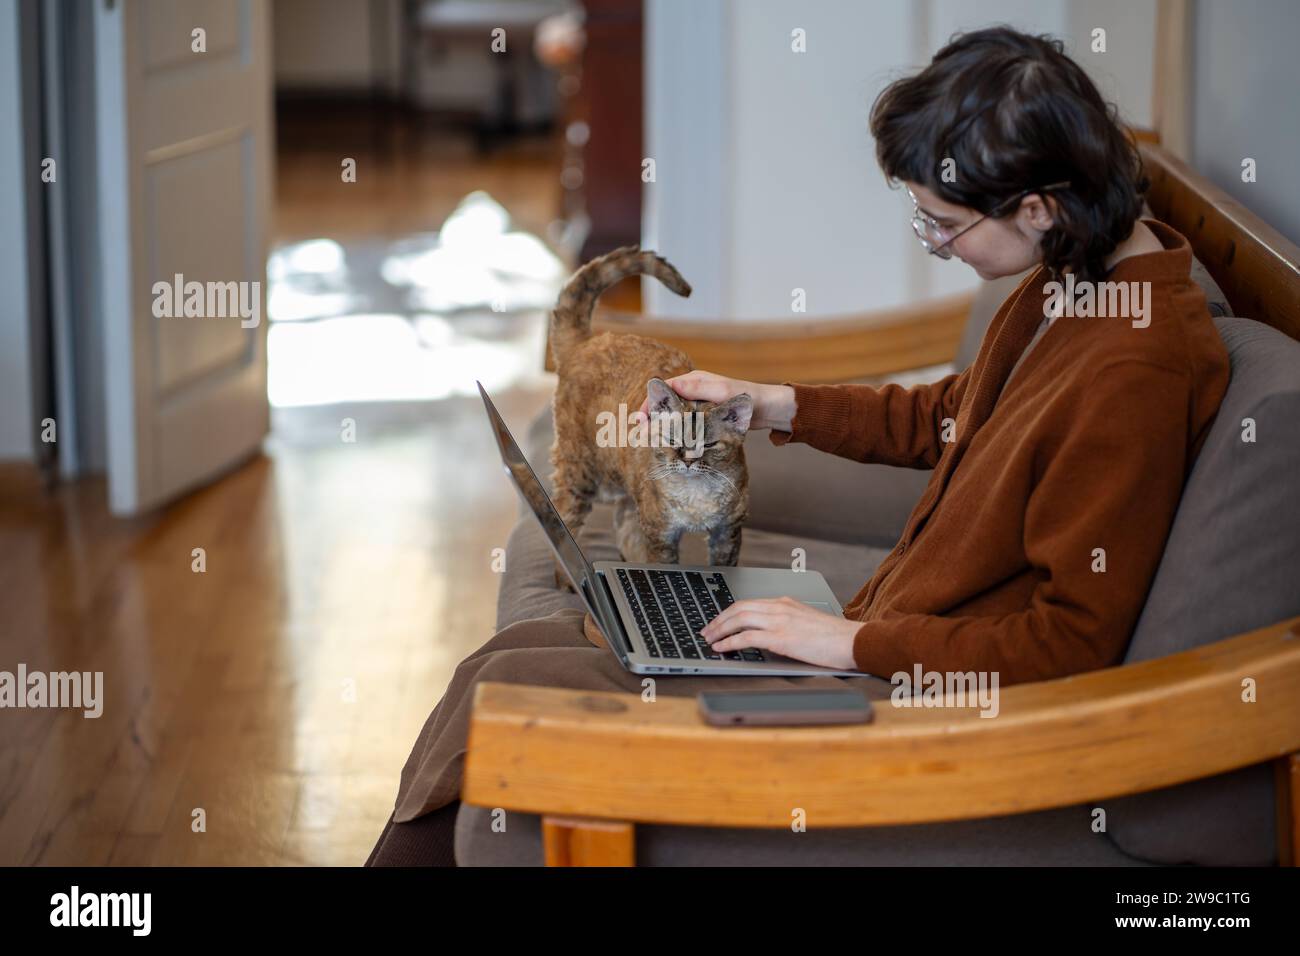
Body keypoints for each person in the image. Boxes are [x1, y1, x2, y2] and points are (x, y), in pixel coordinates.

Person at [366, 25, 1229, 866]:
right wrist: (769, 404)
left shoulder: (1135, 369)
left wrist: (840, 646)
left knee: (513, 694)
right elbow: (955, 417)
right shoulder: (1078, 281)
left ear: (1037, 207)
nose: (934, 244)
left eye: (943, 224)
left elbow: (1069, 645)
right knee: (514, 659)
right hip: (877, 647)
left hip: (910, 711)